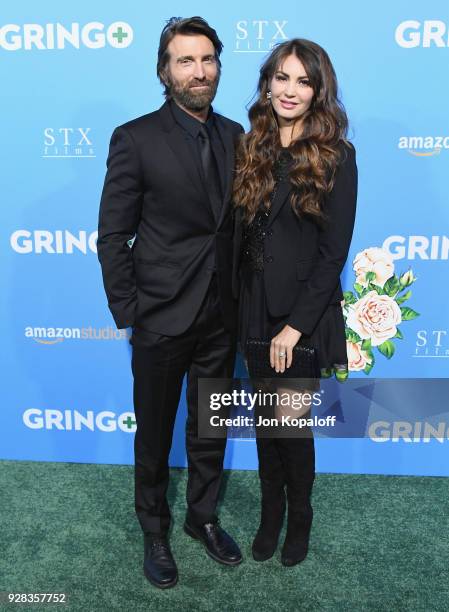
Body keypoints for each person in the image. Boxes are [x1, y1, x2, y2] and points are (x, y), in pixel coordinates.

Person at [97, 16, 244, 589]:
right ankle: (153, 528)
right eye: (185, 60)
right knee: (154, 432)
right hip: (160, 315)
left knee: (211, 427)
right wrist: (131, 308)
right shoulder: (134, 138)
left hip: (221, 315)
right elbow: (113, 235)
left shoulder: (238, 136)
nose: (198, 71)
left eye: (207, 59)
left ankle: (201, 519)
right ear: (165, 70)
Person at [232, 38, 358, 566]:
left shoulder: (337, 156)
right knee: (265, 421)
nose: (290, 90)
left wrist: (296, 327)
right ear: (267, 82)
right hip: (251, 305)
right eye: (282, 77)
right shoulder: (249, 145)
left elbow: (334, 254)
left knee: (289, 421)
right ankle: (270, 512)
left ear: (318, 91)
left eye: (303, 81)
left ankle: (299, 514)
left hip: (301, 314)